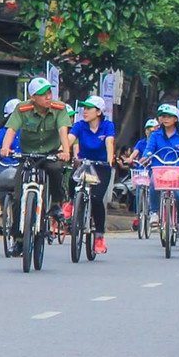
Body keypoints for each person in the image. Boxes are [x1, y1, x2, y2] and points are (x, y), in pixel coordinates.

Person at [0, 77, 73, 253]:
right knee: (18, 195)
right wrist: (5, 147)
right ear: (33, 97)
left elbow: (63, 131)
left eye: (49, 92)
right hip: (28, 155)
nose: (48, 97)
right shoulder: (22, 109)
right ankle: (19, 239)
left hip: (50, 153)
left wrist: (66, 151)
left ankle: (55, 204)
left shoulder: (59, 108)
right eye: (42, 94)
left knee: (55, 170)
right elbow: (11, 130)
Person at [69, 95, 115, 254]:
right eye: (84, 108)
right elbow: (70, 138)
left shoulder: (107, 126)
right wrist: (63, 150)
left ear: (99, 112)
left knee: (96, 198)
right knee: (72, 180)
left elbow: (109, 142)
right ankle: (72, 203)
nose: (85, 111)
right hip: (85, 164)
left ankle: (99, 236)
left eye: (89, 108)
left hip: (102, 166)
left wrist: (109, 160)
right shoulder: (80, 125)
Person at [144, 103, 179, 235]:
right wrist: (145, 157)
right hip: (160, 170)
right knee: (153, 183)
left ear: (175, 119)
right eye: (163, 116)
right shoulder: (155, 134)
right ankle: (154, 212)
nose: (165, 119)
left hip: (178, 171)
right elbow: (149, 149)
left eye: (169, 117)